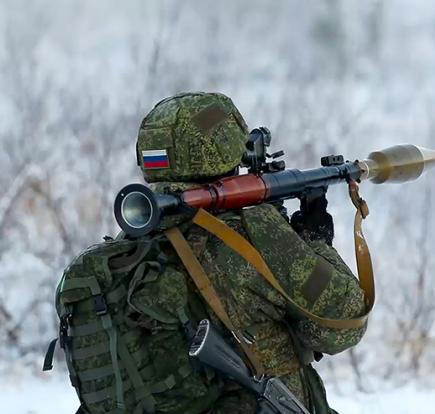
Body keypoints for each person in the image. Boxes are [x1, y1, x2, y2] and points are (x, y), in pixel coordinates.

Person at [136, 92, 367, 413]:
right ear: (225, 146)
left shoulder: (133, 240)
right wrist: (315, 241)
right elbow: (341, 325)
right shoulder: (253, 235)